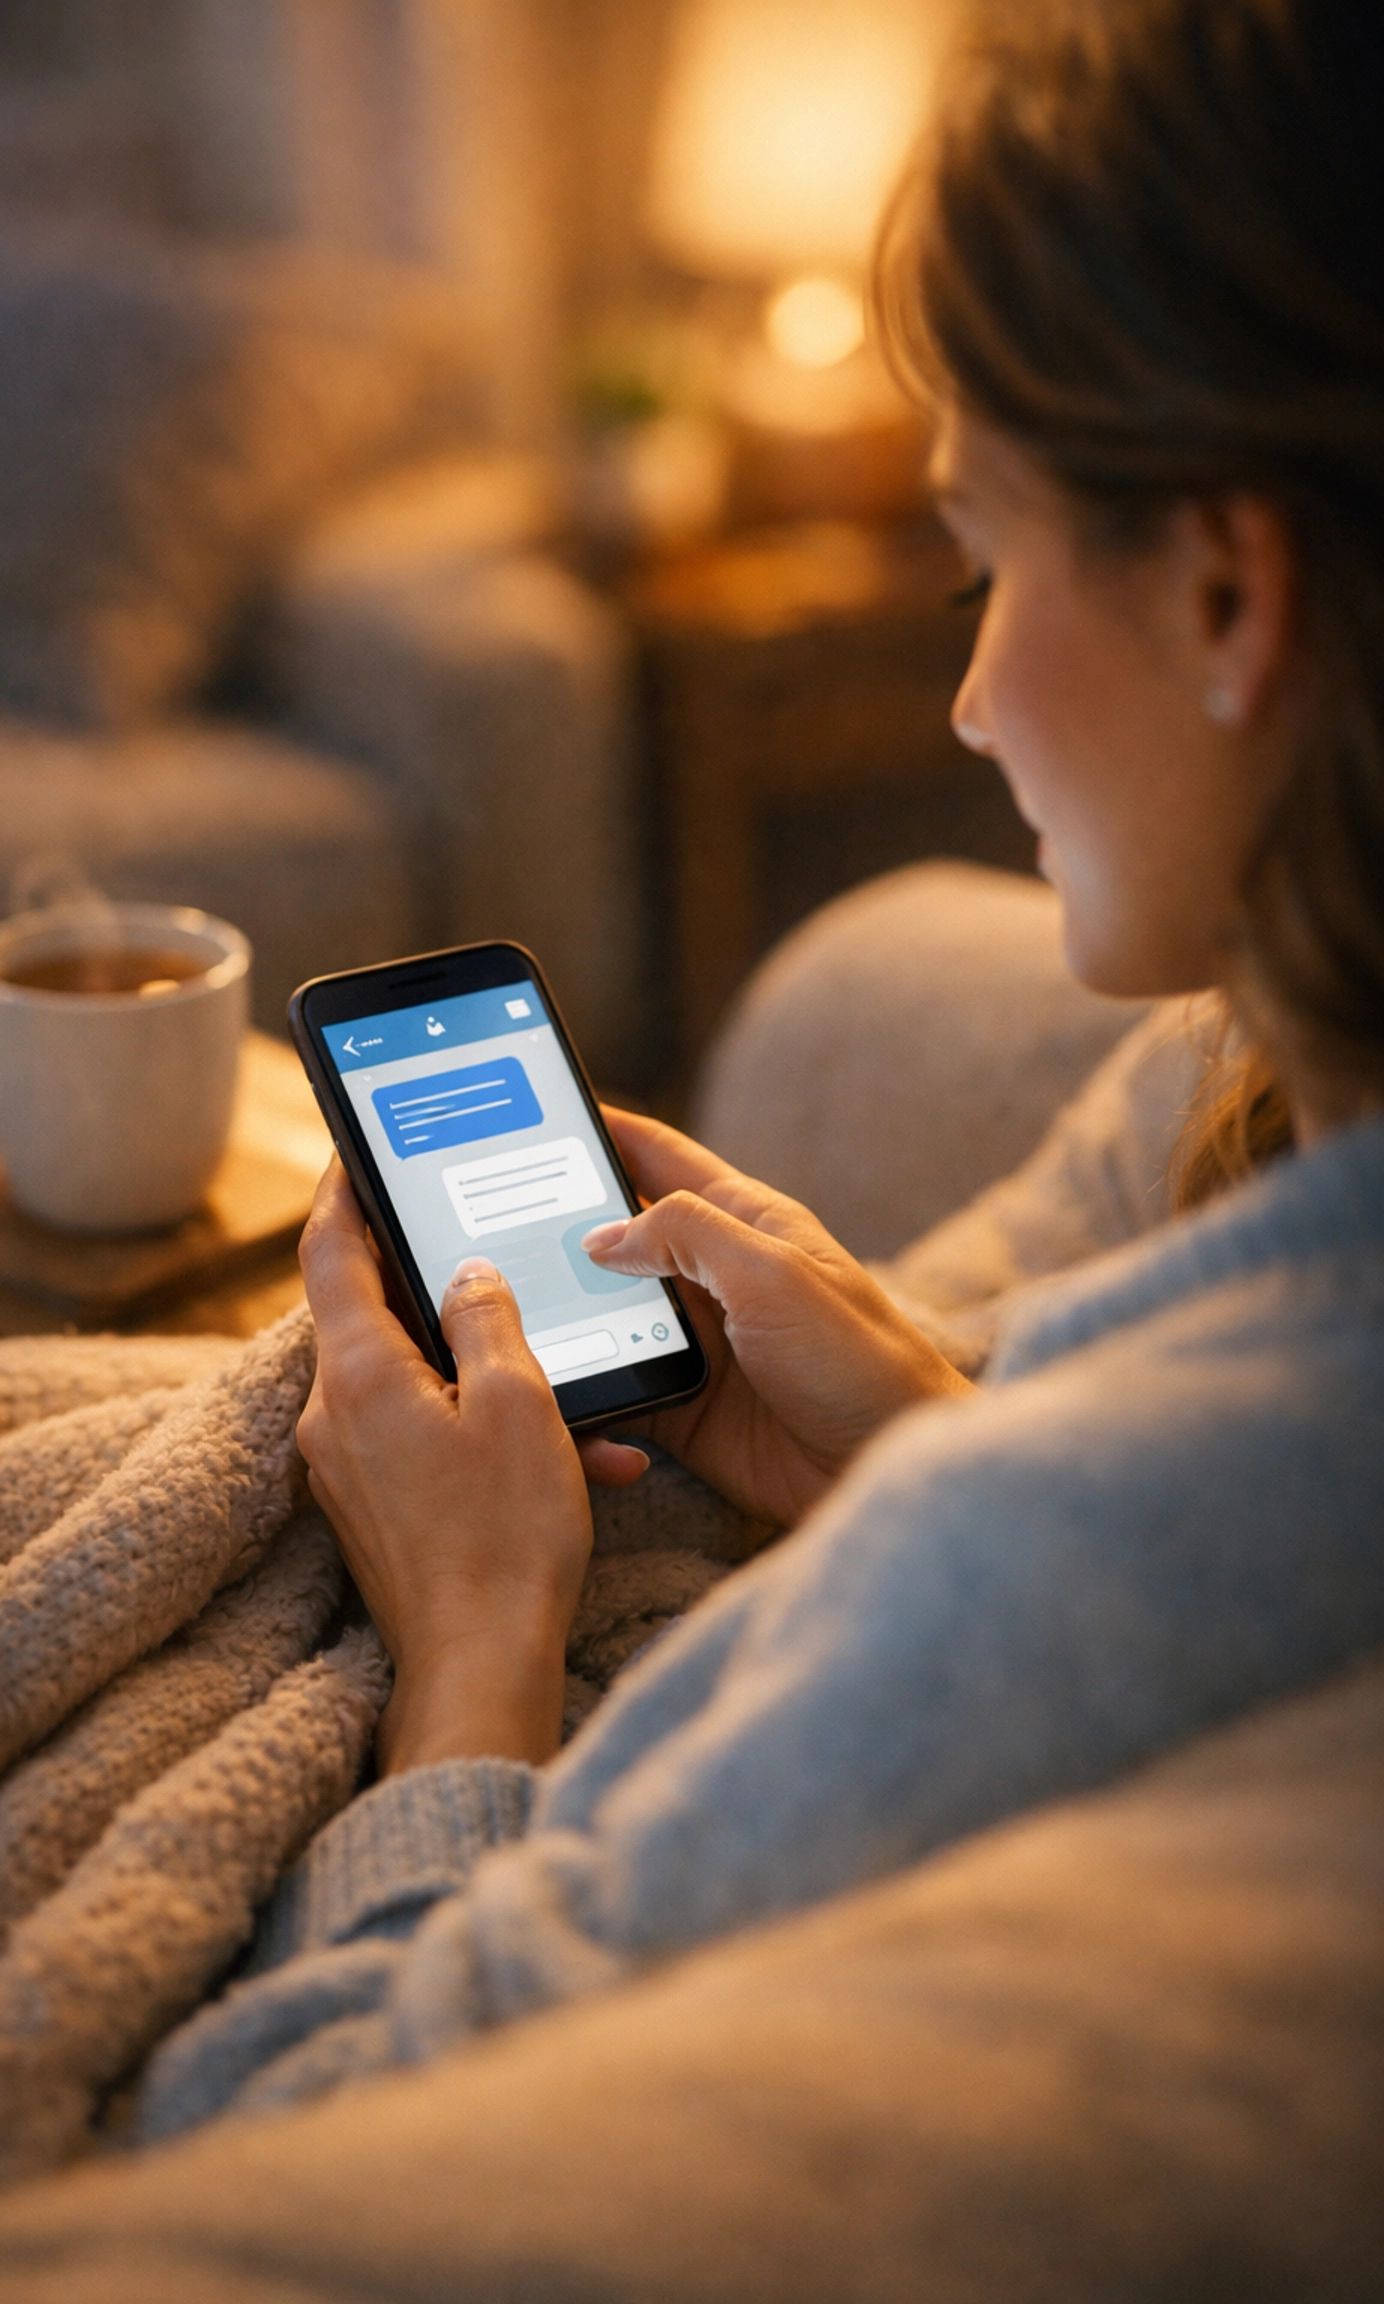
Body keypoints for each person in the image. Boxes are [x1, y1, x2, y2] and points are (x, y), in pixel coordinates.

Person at [139, 0, 1384, 2137]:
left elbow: (293, 2148)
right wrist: (911, 1437)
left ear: (1222, 592)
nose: (972, 701)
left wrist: (475, 1627)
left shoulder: (1094, 1533)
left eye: (984, 559)